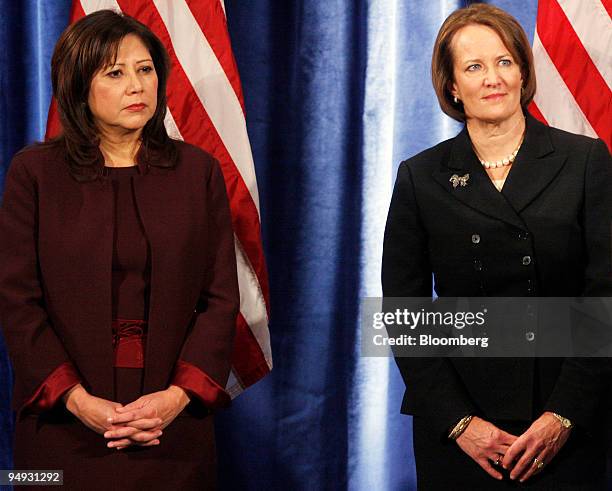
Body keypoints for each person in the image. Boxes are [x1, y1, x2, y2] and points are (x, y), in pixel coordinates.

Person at [0, 10, 238, 490]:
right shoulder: (34, 174)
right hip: (61, 426)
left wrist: (175, 398)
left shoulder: (199, 173)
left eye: (145, 69)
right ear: (78, 87)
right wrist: (76, 400)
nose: (137, 85)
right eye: (115, 72)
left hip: (172, 429)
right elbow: (17, 302)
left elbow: (220, 300)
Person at [382, 4, 611, 490]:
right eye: (474, 67)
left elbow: (604, 299)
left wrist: (563, 416)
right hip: (461, 424)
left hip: (563, 418)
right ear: (451, 85)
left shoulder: (584, 160)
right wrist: (460, 425)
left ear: (524, 72)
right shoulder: (420, 176)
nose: (493, 78)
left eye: (505, 62)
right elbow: (404, 313)